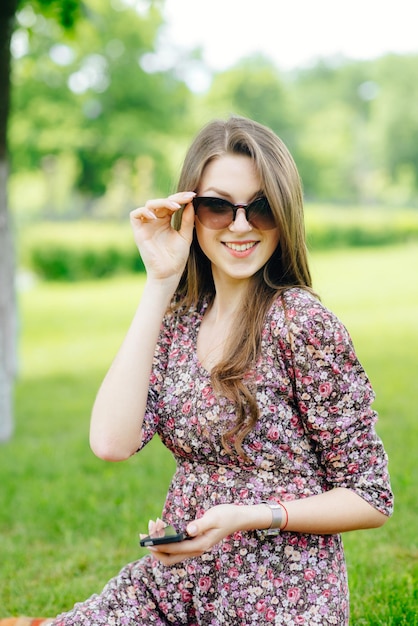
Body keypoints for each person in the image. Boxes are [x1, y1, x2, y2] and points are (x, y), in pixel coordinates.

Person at [2, 116, 393, 625]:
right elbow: (110, 443)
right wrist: (159, 282)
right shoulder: (180, 320)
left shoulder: (301, 323)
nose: (239, 224)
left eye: (261, 207)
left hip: (280, 596)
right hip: (175, 583)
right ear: (189, 212)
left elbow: (371, 496)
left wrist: (250, 517)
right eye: (216, 206)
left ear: (285, 213)